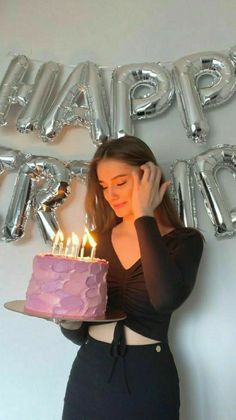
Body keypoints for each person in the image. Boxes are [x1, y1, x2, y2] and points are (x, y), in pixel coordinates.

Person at [60, 136, 204, 420]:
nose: (110, 194)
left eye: (120, 182)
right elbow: (79, 334)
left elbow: (165, 300)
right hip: (90, 375)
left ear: (148, 177)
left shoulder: (185, 242)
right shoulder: (97, 241)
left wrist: (144, 216)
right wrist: (69, 321)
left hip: (147, 379)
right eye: (104, 186)